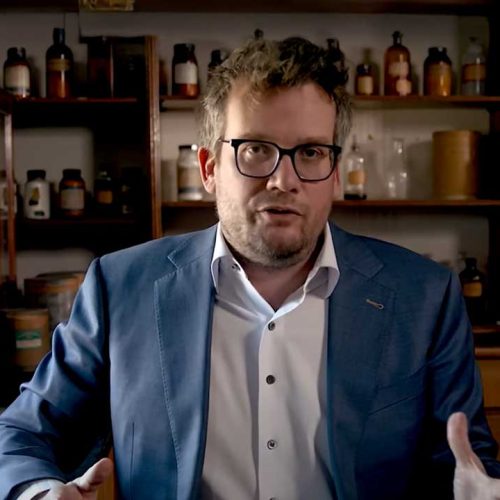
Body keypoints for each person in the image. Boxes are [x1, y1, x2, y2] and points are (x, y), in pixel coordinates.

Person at [0, 36, 500, 500]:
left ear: (334, 173)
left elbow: (468, 467)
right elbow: (22, 434)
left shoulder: (424, 297)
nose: (283, 180)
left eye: (310, 152)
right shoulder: (121, 287)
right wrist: (40, 493)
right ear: (209, 168)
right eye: (256, 150)